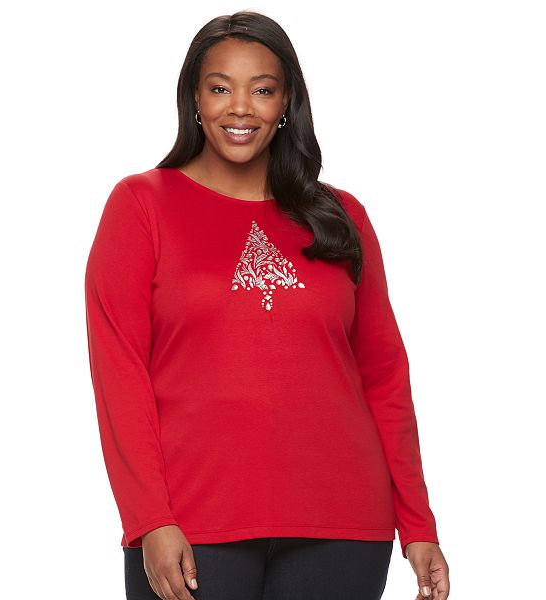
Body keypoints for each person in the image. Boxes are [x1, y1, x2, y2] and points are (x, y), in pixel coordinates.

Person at [84, 10, 450, 600]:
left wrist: (418, 524)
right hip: (195, 523)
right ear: (194, 98)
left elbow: (384, 376)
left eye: (262, 90)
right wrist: (149, 518)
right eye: (220, 87)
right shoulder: (141, 205)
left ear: (286, 103)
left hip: (343, 527)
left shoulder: (341, 216)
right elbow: (119, 374)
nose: (240, 108)